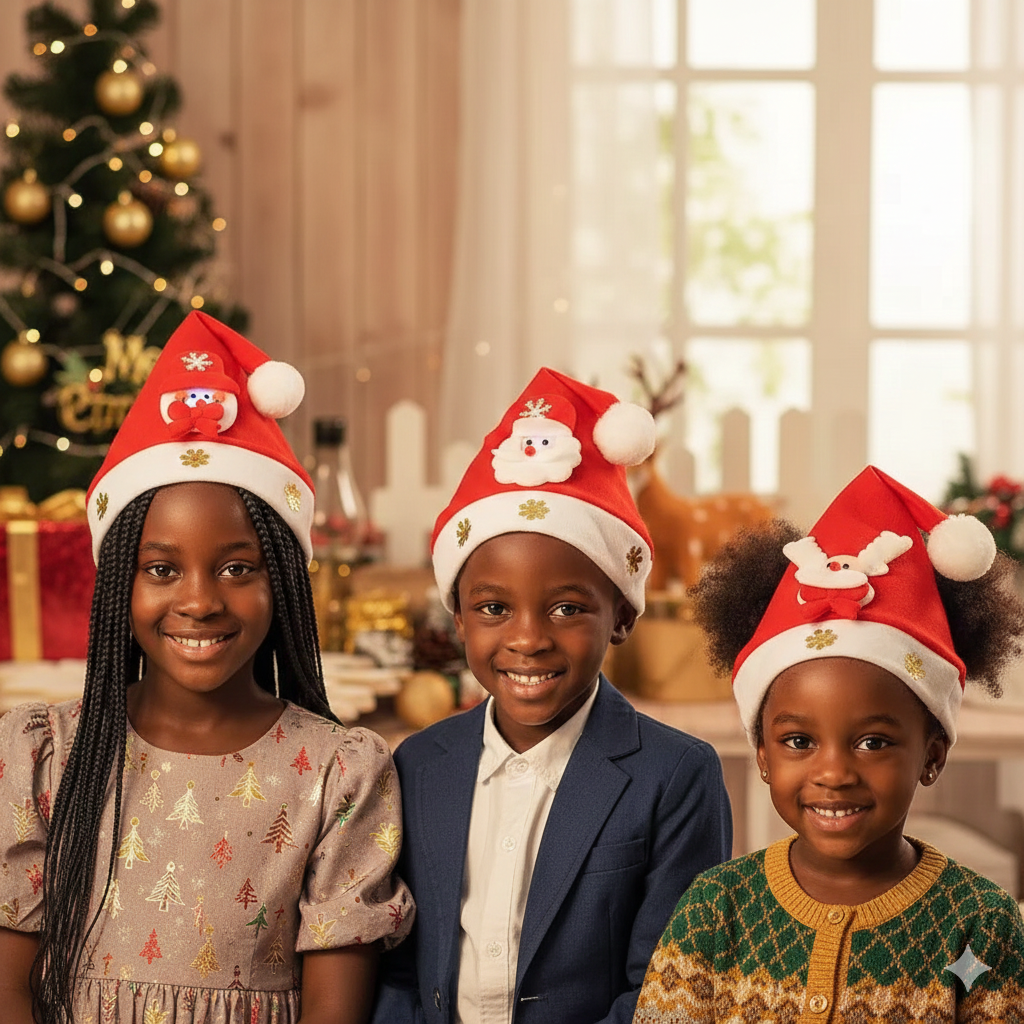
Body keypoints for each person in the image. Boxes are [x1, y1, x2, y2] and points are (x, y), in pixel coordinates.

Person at [0, 312, 413, 1024]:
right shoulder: (44, 755)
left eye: (236, 567)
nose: (199, 600)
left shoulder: (338, 771)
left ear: (281, 580)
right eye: (162, 568)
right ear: (118, 585)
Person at [371, 368, 733, 1024]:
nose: (528, 639)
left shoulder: (677, 777)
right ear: (457, 617)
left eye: (567, 608)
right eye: (493, 608)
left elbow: (667, 991)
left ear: (621, 615)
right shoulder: (416, 766)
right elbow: (396, 967)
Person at [634, 466, 1024, 1023]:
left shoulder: (982, 926)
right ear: (763, 754)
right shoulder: (715, 911)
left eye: (872, 741)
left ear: (932, 755)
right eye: (798, 740)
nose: (834, 772)